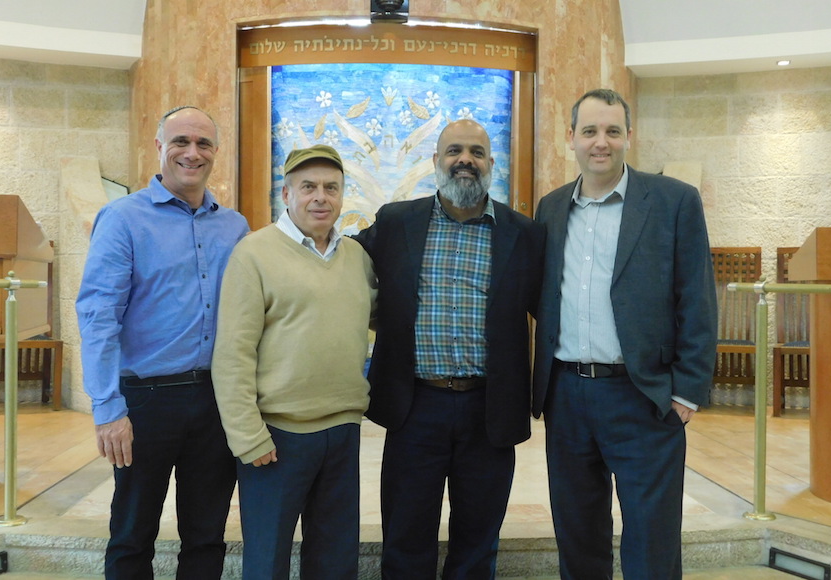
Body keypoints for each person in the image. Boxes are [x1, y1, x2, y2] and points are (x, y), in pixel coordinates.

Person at [533, 88, 717, 579]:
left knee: (652, 537)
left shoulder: (674, 201)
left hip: (644, 395)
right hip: (567, 396)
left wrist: (687, 393)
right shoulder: (550, 209)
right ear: (570, 137)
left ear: (629, 137)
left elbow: (697, 298)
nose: (601, 142)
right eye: (590, 131)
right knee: (577, 532)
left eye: (613, 131)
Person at [354, 119, 545, 579]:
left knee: (478, 542)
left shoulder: (525, 234)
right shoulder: (396, 221)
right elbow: (340, 272)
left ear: (491, 165)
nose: (466, 160)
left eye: (477, 152)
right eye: (454, 151)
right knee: (405, 536)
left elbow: (555, 313)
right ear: (435, 161)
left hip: (489, 410)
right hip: (415, 405)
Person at [76, 105, 250, 579]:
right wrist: (108, 407)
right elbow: (97, 316)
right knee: (133, 535)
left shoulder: (235, 228)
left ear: (215, 152)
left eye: (203, 144)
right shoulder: (123, 219)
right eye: (180, 142)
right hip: (146, 401)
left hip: (216, 399)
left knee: (207, 535)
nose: (192, 153)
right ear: (159, 148)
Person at [211, 144, 377, 580]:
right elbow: (232, 354)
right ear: (286, 194)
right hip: (277, 438)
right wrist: (248, 436)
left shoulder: (356, 258)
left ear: (343, 196)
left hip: (342, 432)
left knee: (335, 562)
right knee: (267, 562)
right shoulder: (254, 254)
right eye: (308, 187)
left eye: (331, 188)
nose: (320, 197)